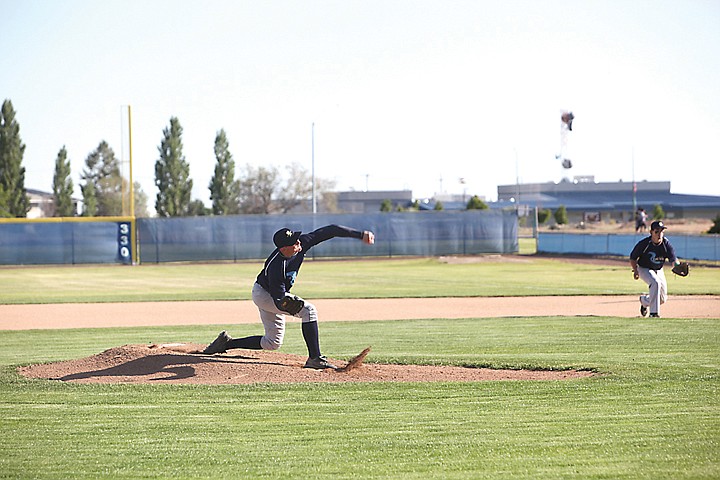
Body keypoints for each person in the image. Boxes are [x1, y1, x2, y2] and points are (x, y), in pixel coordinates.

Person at [203, 224, 376, 369]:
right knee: (309, 311)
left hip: (274, 294)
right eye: (294, 242)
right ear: (284, 248)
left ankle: (226, 343)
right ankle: (315, 358)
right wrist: (288, 303)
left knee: (272, 343)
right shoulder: (276, 267)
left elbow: (329, 230)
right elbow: (278, 299)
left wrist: (360, 235)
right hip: (265, 295)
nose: (299, 242)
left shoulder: (302, 245)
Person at [629, 220, 682, 318]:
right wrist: (635, 271)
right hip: (644, 268)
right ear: (651, 232)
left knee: (662, 299)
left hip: (658, 269)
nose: (659, 234)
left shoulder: (666, 244)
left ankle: (644, 301)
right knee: (655, 282)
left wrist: (677, 265)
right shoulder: (644, 244)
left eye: (661, 231)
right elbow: (633, 257)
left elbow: (673, 259)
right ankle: (654, 314)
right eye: (656, 231)